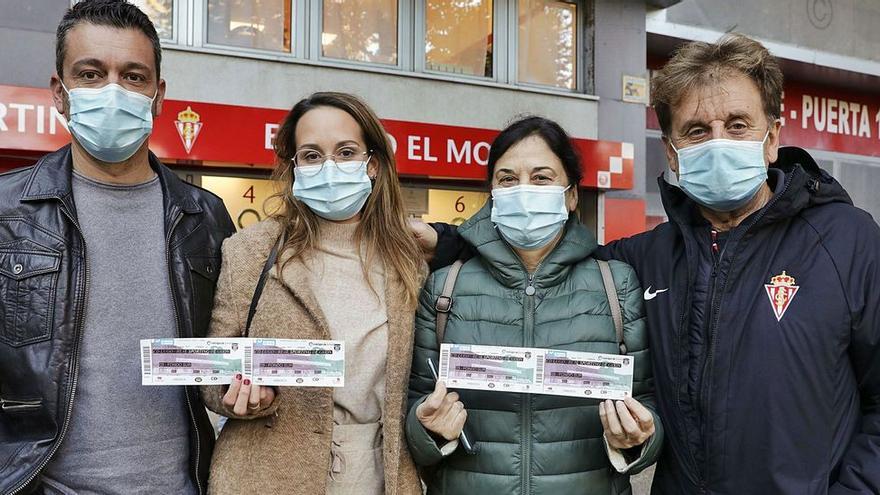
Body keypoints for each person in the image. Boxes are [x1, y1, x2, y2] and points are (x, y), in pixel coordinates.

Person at [420, 34, 880, 494]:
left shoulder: (848, 241)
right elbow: (547, 258)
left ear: (772, 138)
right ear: (672, 150)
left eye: (737, 125)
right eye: (697, 130)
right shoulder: (643, 259)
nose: (718, 142)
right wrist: (449, 243)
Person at [0, 1, 235, 493]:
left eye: (132, 76)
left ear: (158, 95)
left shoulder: (205, 216)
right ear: (59, 94)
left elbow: (229, 351)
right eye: (90, 73)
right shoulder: (7, 211)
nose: (112, 91)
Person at [405, 116, 663, 494]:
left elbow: (647, 402)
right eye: (507, 179)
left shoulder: (616, 284)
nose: (523, 190)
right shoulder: (445, 287)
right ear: (492, 193)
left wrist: (637, 439)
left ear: (572, 194)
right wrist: (427, 429)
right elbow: (413, 406)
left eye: (542, 177)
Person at [201, 92, 426, 494]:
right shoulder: (250, 251)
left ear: (373, 164)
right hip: (267, 476)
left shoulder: (407, 261)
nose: (329, 167)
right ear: (294, 167)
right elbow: (213, 369)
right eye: (311, 155)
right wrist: (236, 394)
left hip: (379, 476)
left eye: (345, 152)